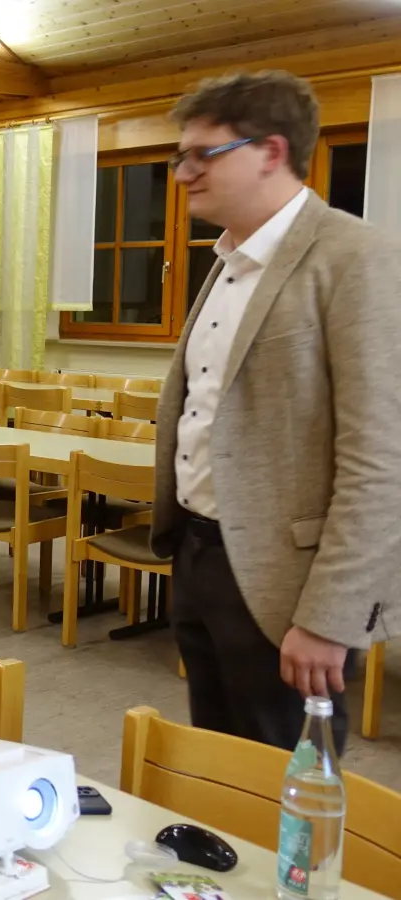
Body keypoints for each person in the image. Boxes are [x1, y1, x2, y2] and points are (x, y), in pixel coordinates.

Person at [153, 71, 401, 755]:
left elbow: (381, 459)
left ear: (271, 151)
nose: (183, 175)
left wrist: (331, 617)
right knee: (224, 765)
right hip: (201, 554)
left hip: (287, 580)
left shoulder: (356, 258)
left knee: (288, 782)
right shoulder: (230, 259)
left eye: (204, 155)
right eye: (181, 158)